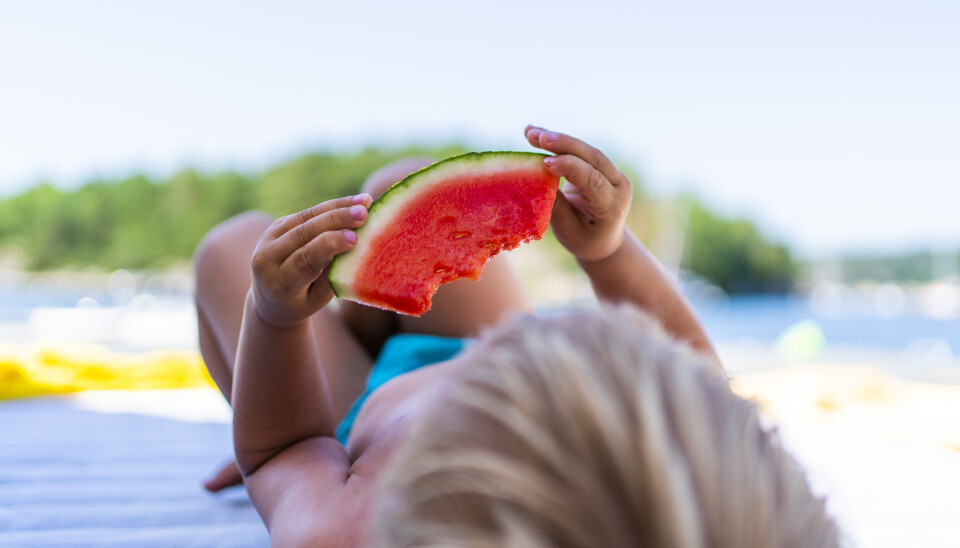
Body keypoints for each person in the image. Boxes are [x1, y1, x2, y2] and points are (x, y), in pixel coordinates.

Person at [193, 127, 839, 547]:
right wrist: (608, 252)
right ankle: (367, 308)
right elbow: (697, 377)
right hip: (473, 344)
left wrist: (275, 329)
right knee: (403, 184)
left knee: (232, 251)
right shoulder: (704, 503)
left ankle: (293, 346)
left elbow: (284, 450)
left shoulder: (350, 527)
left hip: (351, 423)